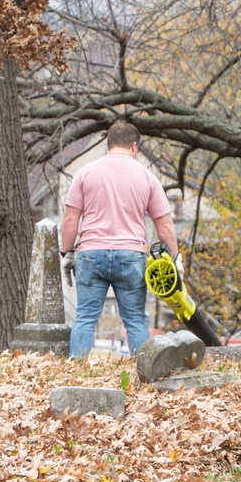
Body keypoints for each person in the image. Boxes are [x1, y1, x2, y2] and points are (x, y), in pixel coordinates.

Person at [59, 120, 179, 358]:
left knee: (85, 317)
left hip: (91, 253)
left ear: (108, 145)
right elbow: (164, 224)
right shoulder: (147, 177)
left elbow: (70, 218)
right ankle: (143, 373)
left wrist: (66, 253)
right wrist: (176, 259)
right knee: (134, 318)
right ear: (134, 146)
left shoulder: (85, 173)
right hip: (130, 256)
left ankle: (77, 370)